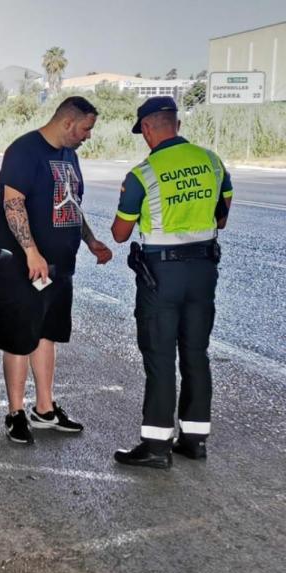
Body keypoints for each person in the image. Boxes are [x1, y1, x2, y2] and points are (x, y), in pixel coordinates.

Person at [111, 96, 232, 469]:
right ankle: (194, 440)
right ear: (176, 125)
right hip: (204, 272)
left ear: (148, 128)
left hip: (161, 277)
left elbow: (119, 233)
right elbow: (222, 218)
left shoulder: (142, 174)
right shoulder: (212, 162)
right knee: (196, 352)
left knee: (160, 358)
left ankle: (156, 446)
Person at [0, 96, 113, 444]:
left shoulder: (69, 156)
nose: (88, 136)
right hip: (21, 267)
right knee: (18, 337)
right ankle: (15, 413)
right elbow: (12, 203)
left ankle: (44, 409)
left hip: (59, 267)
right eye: (86, 129)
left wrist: (90, 241)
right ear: (67, 123)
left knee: (47, 333)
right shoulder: (25, 151)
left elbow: (70, 203)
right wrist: (31, 251)